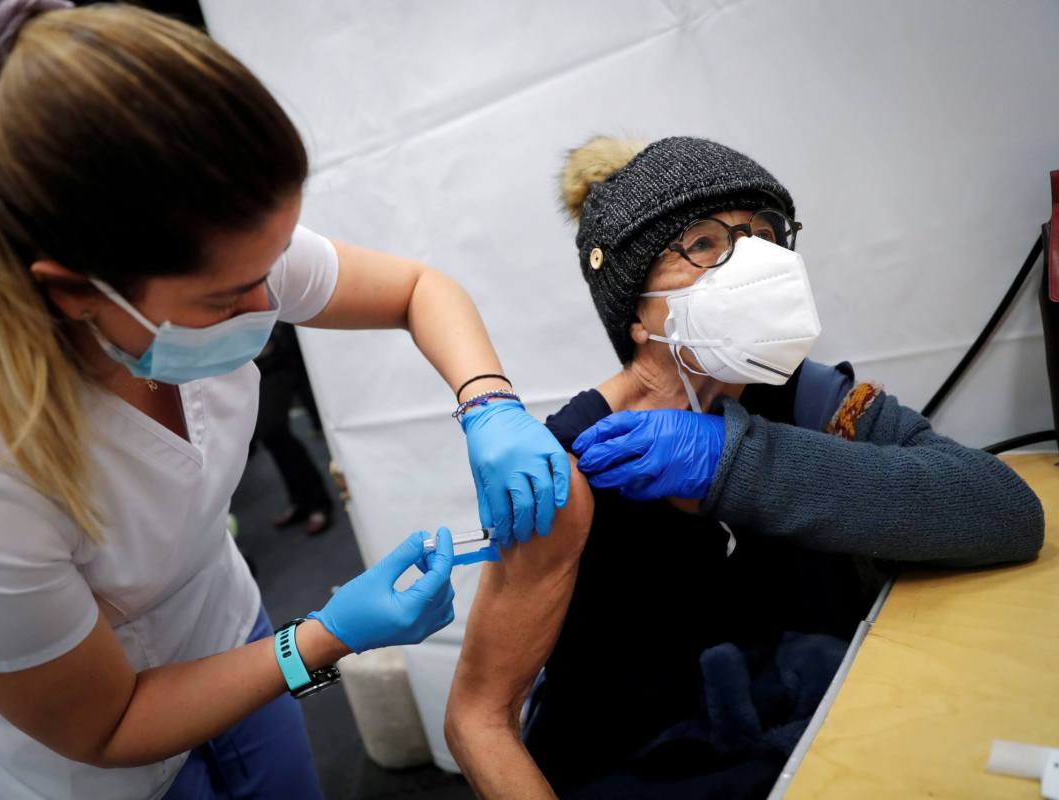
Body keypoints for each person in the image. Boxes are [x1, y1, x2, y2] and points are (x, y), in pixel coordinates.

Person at [0, 1, 570, 798]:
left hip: (223, 627)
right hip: (76, 766)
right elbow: (108, 724)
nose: (272, 304)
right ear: (69, 292)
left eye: (272, 264)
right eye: (229, 297)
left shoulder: (213, 256)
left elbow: (417, 289)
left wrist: (490, 404)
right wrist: (327, 639)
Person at [444, 136, 1045, 799]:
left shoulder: (814, 403)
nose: (755, 261)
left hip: (827, 748)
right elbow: (478, 720)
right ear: (635, 310)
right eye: (704, 243)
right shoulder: (570, 465)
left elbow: (1005, 514)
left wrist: (740, 462)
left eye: (766, 234)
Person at [251, 321, 333, 535]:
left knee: (274, 431)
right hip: (254, 365)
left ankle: (318, 502)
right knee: (272, 438)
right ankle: (301, 500)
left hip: (275, 360)